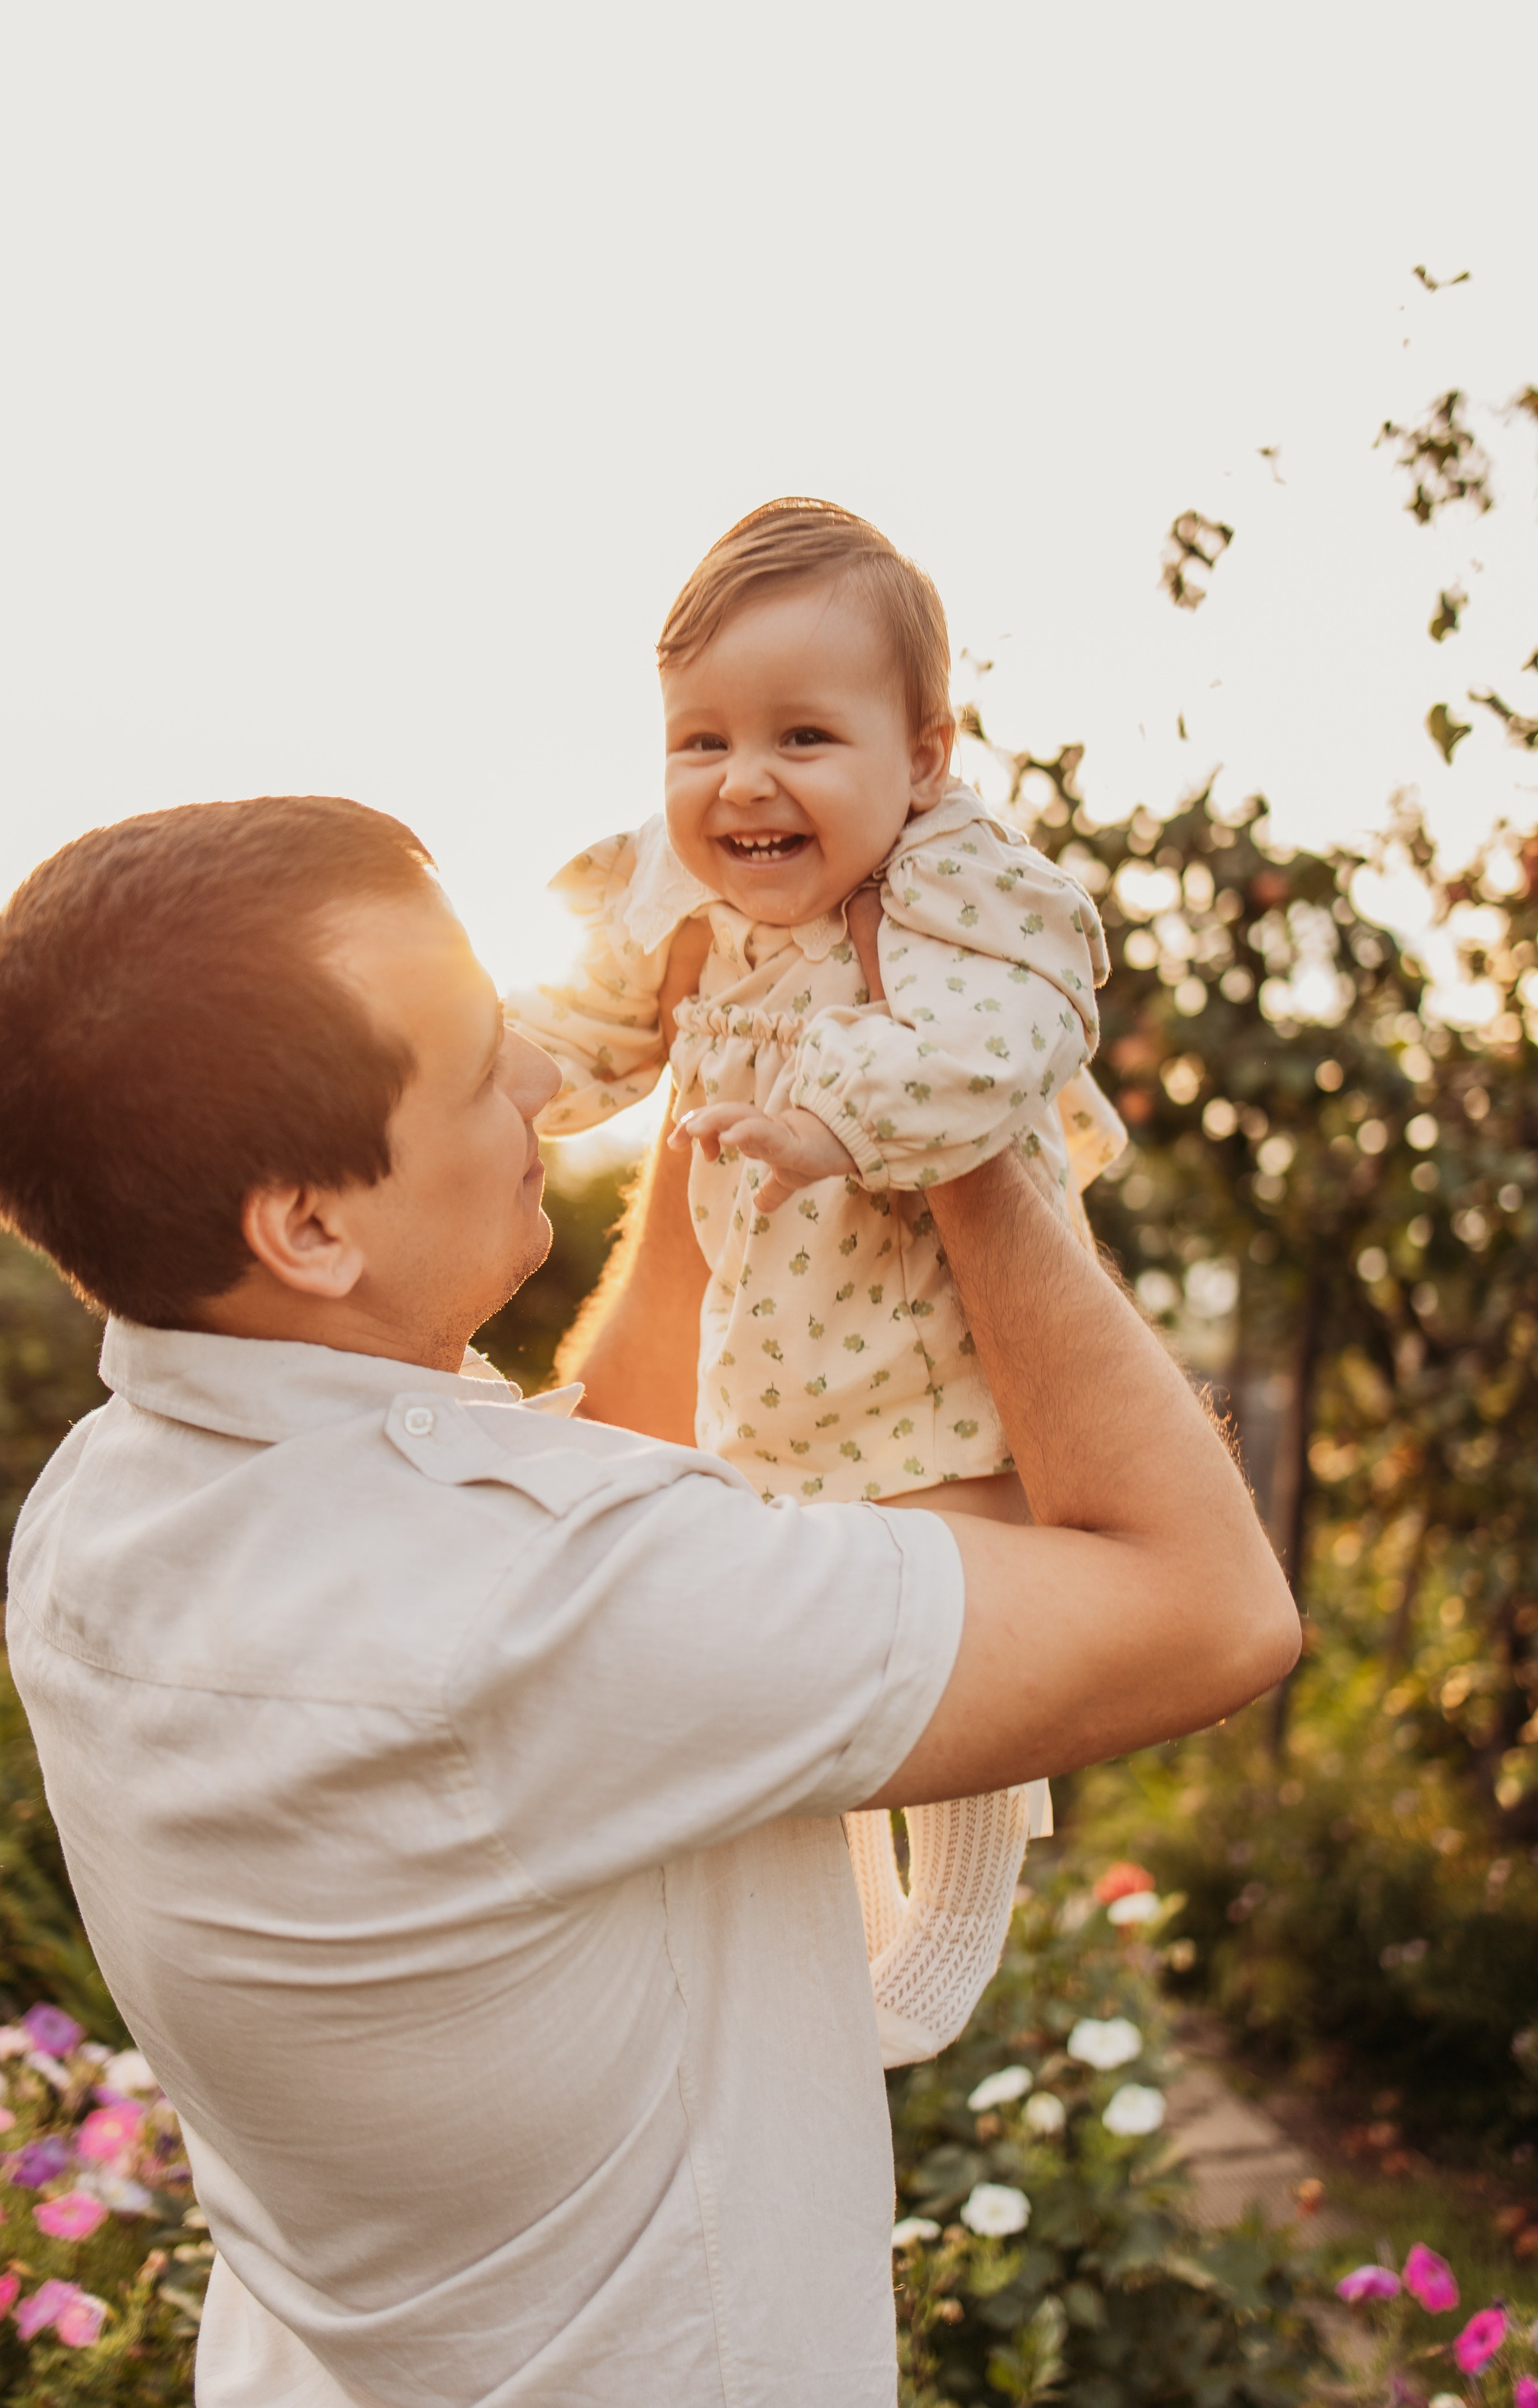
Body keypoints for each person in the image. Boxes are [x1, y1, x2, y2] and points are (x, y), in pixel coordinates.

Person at [0, 793, 1298, 2408]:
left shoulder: (108, 1504)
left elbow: (583, 1513)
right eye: (476, 1065)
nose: (539, 1075)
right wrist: (947, 1107)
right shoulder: (532, 1621)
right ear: (308, 1226)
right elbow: (1206, 1610)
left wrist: (714, 1089)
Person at [508, 497, 1130, 2064]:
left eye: (802, 735)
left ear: (920, 756)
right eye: (699, 740)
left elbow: (999, 1041)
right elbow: (592, 1022)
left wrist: (826, 1116)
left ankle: (963, 1904)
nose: (744, 782)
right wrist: (501, 1079)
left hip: (934, 1326)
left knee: (951, 1609)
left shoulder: (953, 881)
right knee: (808, 1616)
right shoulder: (678, 894)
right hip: (777, 1337)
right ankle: (854, 1911)